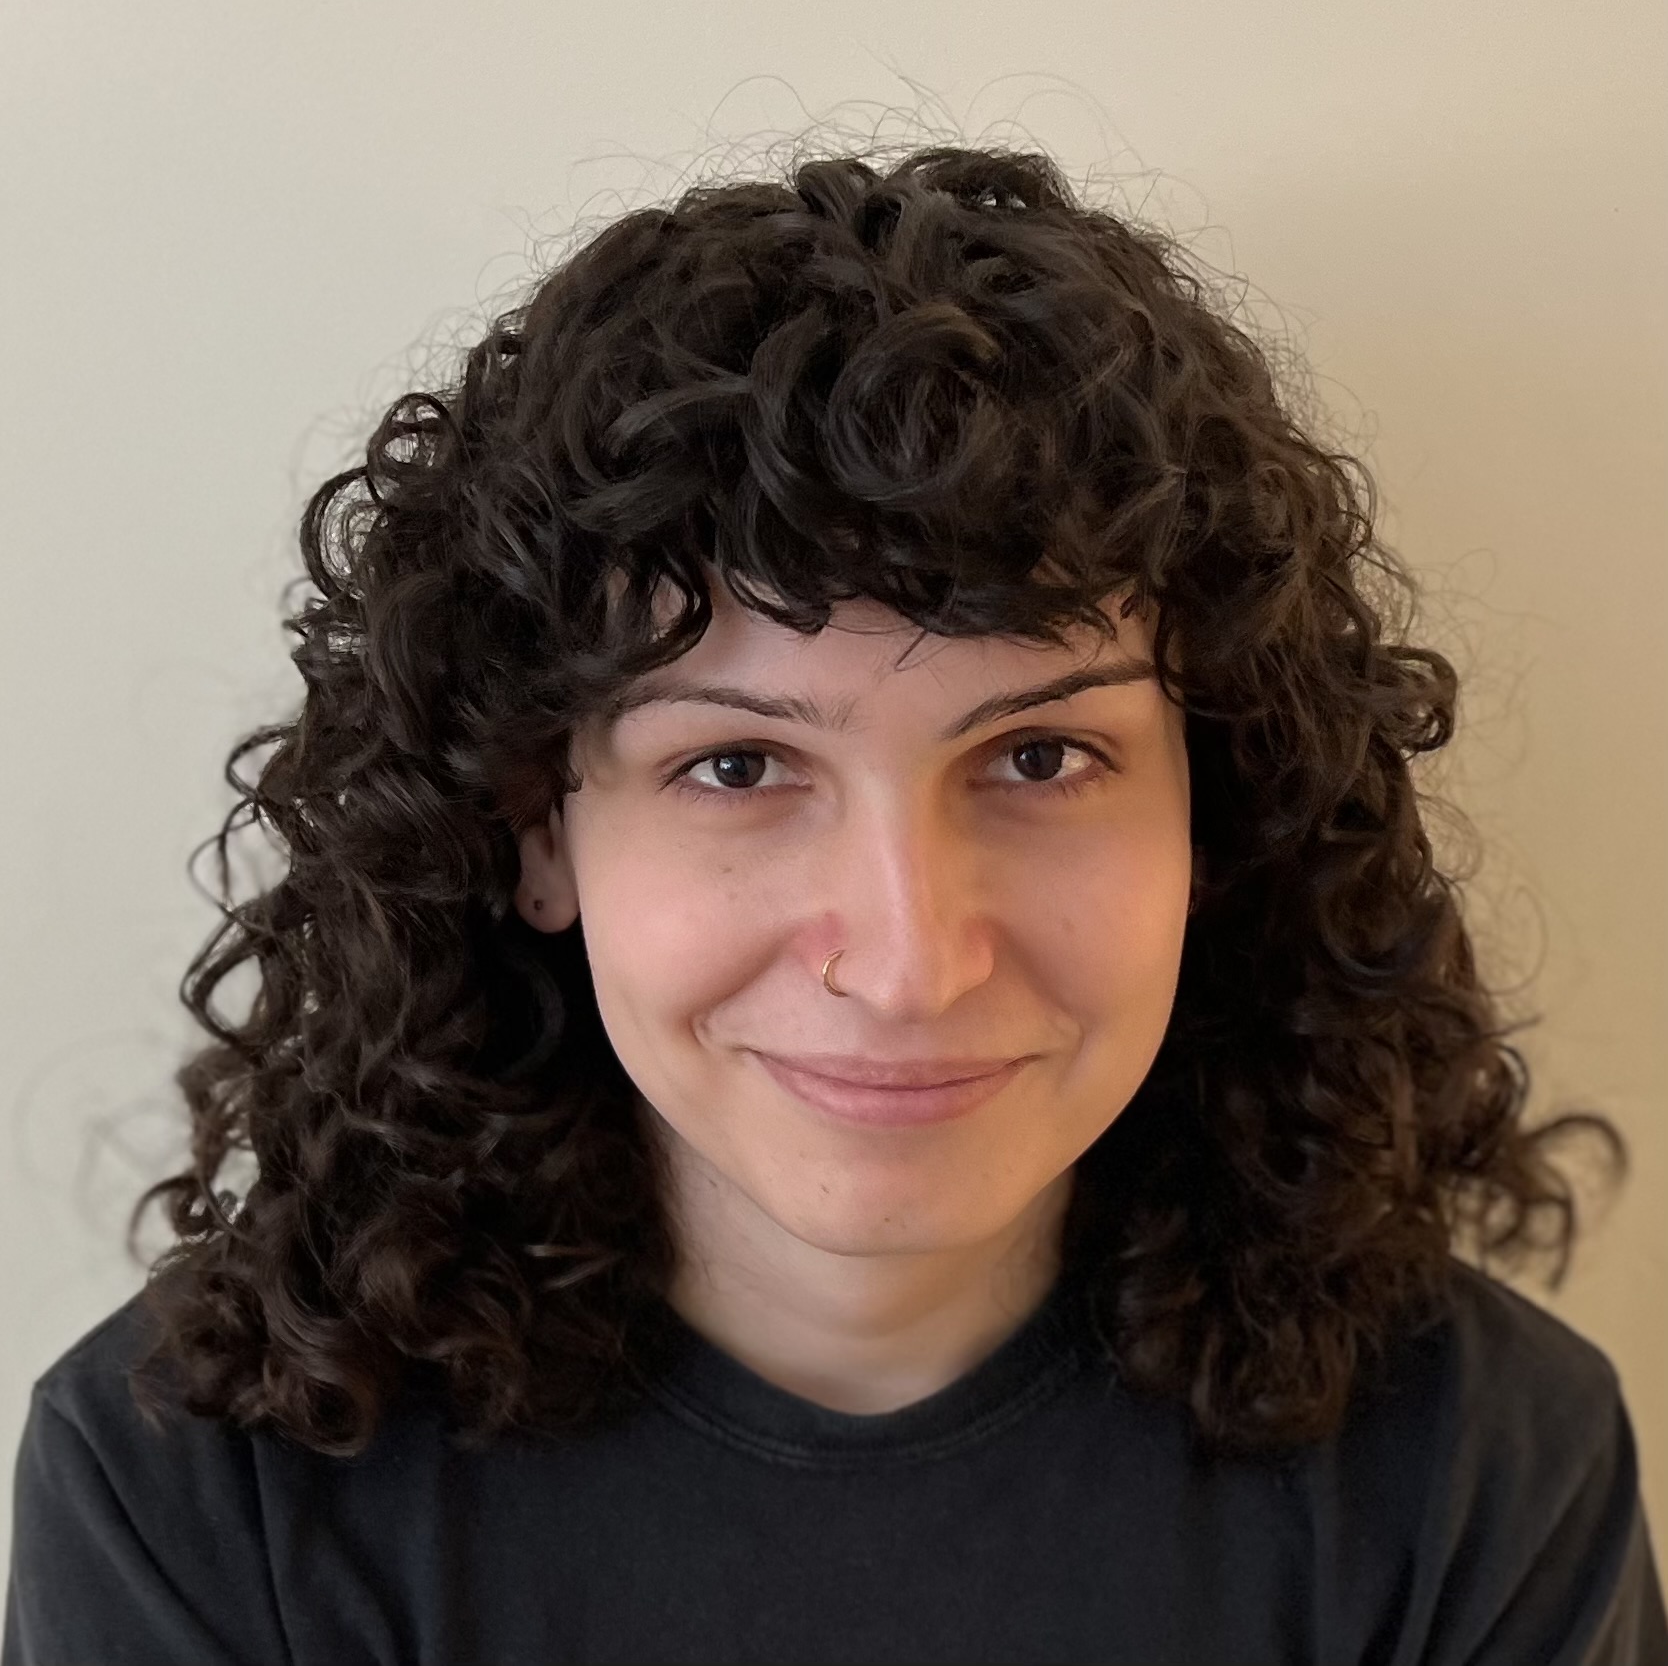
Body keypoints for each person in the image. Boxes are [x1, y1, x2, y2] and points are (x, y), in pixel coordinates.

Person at [4, 141, 1664, 1666]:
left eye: (1040, 758)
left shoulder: (1477, 1475)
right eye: (738, 765)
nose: (909, 960)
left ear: (1215, 813)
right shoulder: (199, 1503)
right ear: (534, 828)